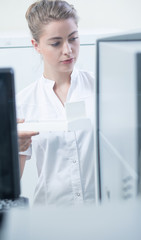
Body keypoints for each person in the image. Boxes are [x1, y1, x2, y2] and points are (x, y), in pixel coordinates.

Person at [17, 0, 95, 206]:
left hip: (102, 213)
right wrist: (9, 149)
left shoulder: (102, 88)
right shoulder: (24, 102)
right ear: (37, 46)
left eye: (73, 39)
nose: (68, 50)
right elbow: (12, 183)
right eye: (56, 43)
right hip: (51, 215)